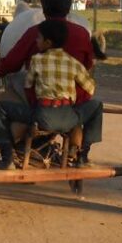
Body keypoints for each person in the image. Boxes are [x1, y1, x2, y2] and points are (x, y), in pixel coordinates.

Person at [0, 0, 96, 168]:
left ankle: (6, 156)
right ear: (69, 8)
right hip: (72, 103)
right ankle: (82, 154)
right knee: (94, 106)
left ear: (43, 9)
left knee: (1, 105)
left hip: (41, 105)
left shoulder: (34, 34)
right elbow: (88, 68)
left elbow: (11, 65)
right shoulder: (82, 34)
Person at [23, 19, 102, 167]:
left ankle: (7, 154)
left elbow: (27, 85)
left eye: (39, 38)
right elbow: (90, 88)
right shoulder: (73, 62)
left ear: (48, 42)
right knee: (97, 106)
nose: (36, 40)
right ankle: (82, 153)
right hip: (68, 118)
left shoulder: (36, 60)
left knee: (5, 108)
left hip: (43, 117)